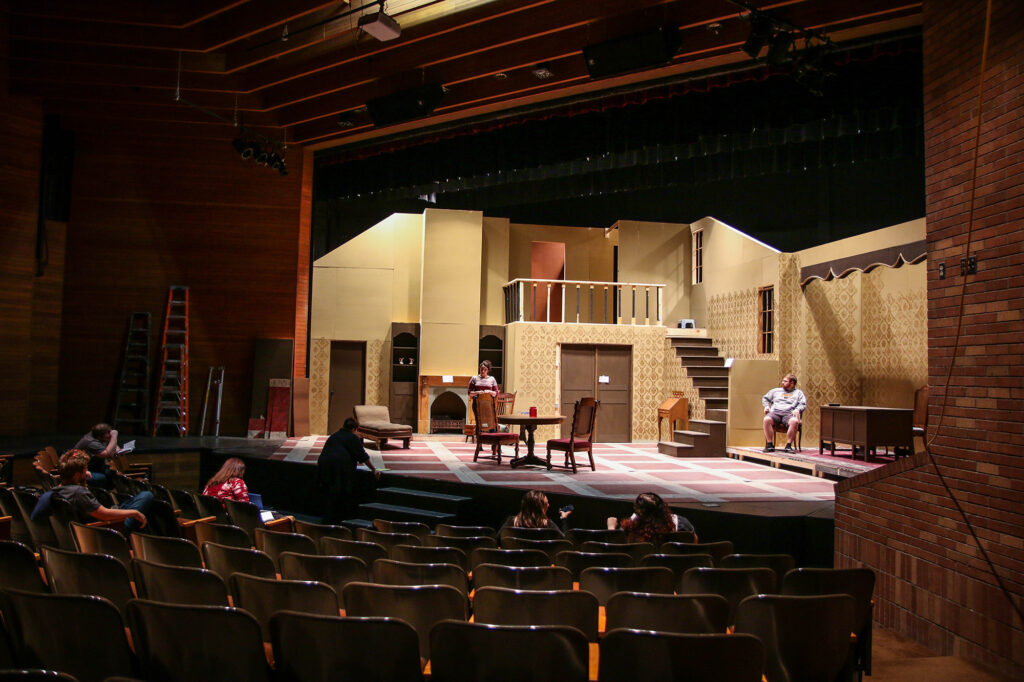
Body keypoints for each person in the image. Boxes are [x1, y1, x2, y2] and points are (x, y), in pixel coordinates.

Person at [32, 449, 152, 532]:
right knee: (146, 496)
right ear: (77, 475)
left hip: (97, 524)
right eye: (85, 469)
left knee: (129, 502)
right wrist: (134, 513)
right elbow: (104, 515)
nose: (87, 472)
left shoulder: (57, 490)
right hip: (108, 529)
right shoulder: (78, 492)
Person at [316, 418, 382, 523]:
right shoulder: (352, 437)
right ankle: (338, 519)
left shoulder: (334, 435)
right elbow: (363, 456)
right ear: (355, 429)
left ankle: (327, 518)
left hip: (324, 465)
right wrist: (374, 469)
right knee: (339, 493)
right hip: (339, 467)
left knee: (328, 491)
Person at [607, 492, 697, 544]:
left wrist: (611, 529)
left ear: (638, 512)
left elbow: (617, 549)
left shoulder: (630, 529)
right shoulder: (682, 524)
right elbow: (694, 542)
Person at [762, 373, 807, 453]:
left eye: (785, 381)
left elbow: (802, 404)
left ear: (792, 383)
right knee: (766, 419)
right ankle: (769, 445)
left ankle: (788, 446)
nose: (782, 382)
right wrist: (766, 406)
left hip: (789, 414)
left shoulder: (798, 393)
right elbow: (765, 398)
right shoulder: (775, 391)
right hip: (775, 413)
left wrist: (798, 409)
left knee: (795, 421)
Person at [73, 422, 120, 487]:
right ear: (100, 435)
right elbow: (108, 454)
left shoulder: (99, 437)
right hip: (80, 471)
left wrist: (112, 441)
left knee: (113, 472)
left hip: (93, 467)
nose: (110, 435)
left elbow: (115, 448)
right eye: (108, 434)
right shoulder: (91, 442)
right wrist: (114, 437)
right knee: (106, 477)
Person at [503, 489, 572, 534]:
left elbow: (498, 540)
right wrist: (564, 519)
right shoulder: (548, 525)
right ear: (539, 508)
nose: (548, 505)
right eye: (546, 503)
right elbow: (565, 542)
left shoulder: (512, 521)